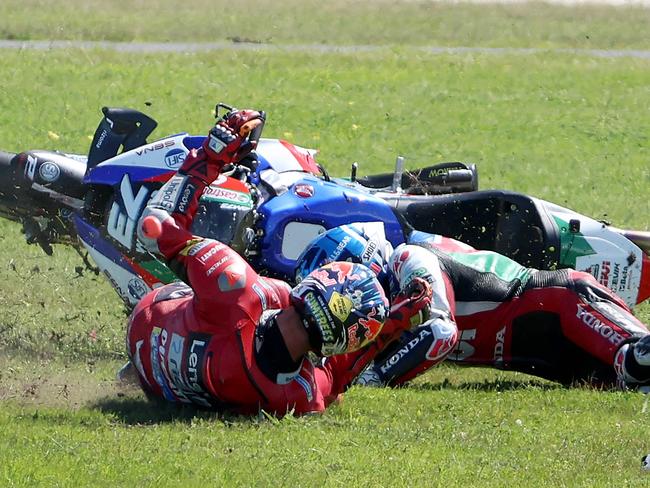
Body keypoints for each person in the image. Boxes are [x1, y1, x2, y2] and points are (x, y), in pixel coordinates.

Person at [125, 109, 428, 416]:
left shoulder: (236, 287)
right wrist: (397, 320)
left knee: (163, 228)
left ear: (315, 281)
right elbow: (337, 376)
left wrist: (211, 155)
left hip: (148, 321)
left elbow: (159, 229)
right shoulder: (297, 399)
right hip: (156, 386)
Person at [295, 223, 650, 389]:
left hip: (563, 303)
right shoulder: (389, 304)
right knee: (632, 385)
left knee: (635, 361)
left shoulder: (409, 259)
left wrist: (375, 377)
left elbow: (440, 332)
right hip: (552, 360)